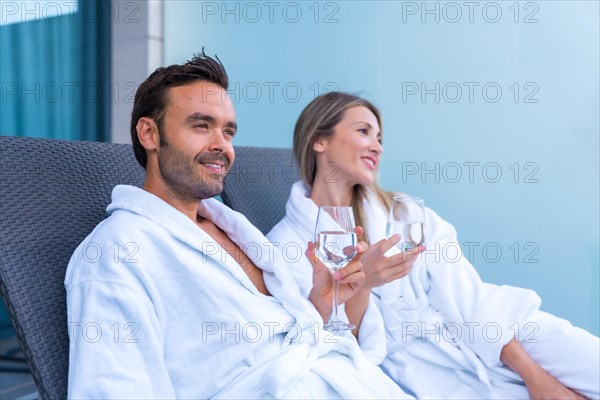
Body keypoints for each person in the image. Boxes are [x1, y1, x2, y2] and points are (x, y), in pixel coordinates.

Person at [64, 53, 414, 399]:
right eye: (201, 125)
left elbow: (271, 337)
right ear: (149, 133)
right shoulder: (117, 252)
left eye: (228, 131)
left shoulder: (231, 229)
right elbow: (111, 388)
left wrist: (319, 305)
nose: (222, 146)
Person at [267, 91, 600, 399]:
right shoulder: (285, 247)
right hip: (417, 370)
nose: (377, 147)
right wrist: (364, 284)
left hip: (499, 331)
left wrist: (532, 373)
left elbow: (467, 297)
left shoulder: (406, 212)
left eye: (380, 138)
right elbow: (334, 349)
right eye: (364, 132)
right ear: (319, 140)